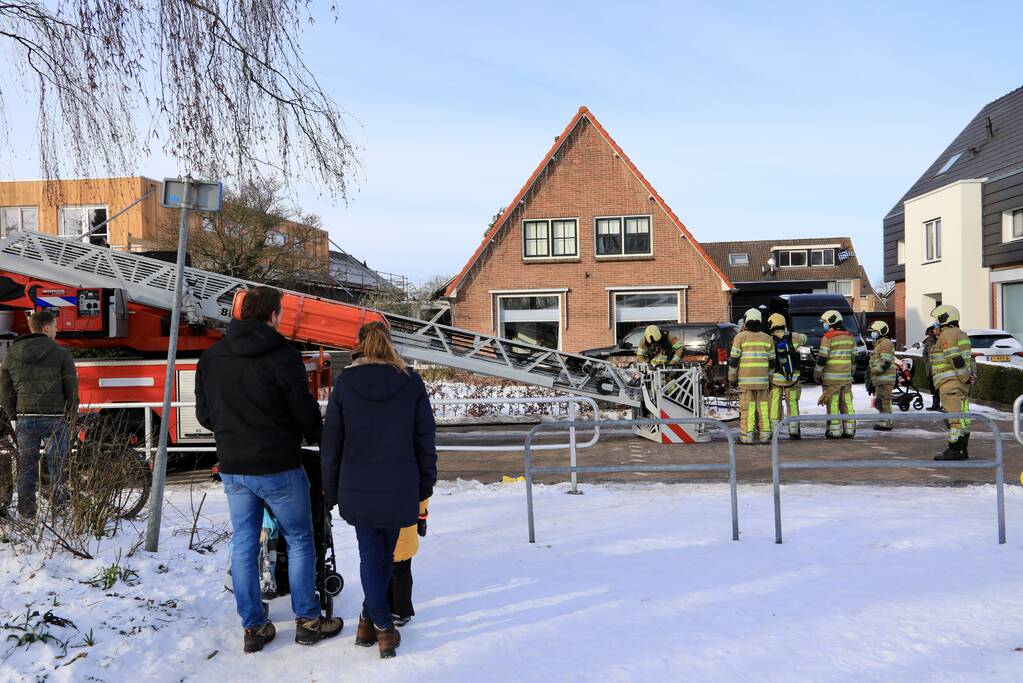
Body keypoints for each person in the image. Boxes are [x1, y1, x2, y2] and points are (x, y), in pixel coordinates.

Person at [195, 286, 341, 653]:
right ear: (274, 314)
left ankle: (254, 628)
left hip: (234, 466)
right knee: (300, 538)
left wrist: (234, 432)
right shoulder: (283, 356)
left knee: (244, 543)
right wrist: (320, 437)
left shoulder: (211, 357)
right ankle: (308, 620)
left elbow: (204, 415)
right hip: (279, 465)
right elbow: (303, 411)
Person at [320, 321, 437, 659]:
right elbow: (424, 439)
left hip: (357, 484)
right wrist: (425, 484)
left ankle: (368, 622)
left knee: (375, 556)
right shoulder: (411, 382)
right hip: (400, 484)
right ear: (390, 345)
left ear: (359, 346)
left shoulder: (345, 383)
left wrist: (331, 489)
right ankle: (383, 627)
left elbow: (333, 443)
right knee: (382, 557)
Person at [0, 309, 77, 519]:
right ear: (46, 328)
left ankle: (26, 513)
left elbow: (5, 390)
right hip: (55, 418)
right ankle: (59, 512)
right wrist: (71, 415)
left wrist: (13, 417)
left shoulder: (11, 355)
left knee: (26, 467)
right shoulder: (61, 353)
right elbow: (71, 388)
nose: (57, 329)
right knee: (57, 466)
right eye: (55, 326)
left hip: (25, 417)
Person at [927, 305, 975, 460]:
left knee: (953, 418)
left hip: (950, 383)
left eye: (936, 320)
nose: (935, 324)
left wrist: (963, 377)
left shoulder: (947, 335)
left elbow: (955, 358)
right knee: (963, 417)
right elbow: (968, 359)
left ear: (943, 318)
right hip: (961, 384)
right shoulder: (962, 334)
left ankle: (954, 449)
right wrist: (968, 378)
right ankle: (963, 449)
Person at [728, 309, 775, 445]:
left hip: (745, 384)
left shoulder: (740, 337)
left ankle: (747, 438)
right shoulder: (768, 338)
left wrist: (732, 380)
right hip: (763, 384)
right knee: (764, 410)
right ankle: (765, 437)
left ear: (746, 320)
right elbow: (772, 364)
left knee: (747, 410)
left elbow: (734, 361)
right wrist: (770, 381)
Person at [388, 496, 430, 627]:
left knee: (380, 569)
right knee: (401, 571)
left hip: (375, 523)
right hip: (403, 523)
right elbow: (423, 491)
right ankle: (401, 611)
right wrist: (422, 515)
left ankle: (382, 607)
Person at [814, 310, 856, 439]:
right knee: (847, 403)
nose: (824, 325)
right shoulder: (850, 336)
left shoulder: (828, 338)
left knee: (832, 403)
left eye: (825, 323)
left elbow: (822, 358)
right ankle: (849, 430)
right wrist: (851, 372)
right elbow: (855, 357)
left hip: (831, 380)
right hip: (846, 379)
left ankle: (834, 431)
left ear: (831, 322)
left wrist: (817, 372)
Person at [767, 313, 807, 440]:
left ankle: (774, 431)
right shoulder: (794, 337)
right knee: (792, 403)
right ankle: (794, 431)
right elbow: (804, 338)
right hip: (792, 378)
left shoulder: (768, 339)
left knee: (774, 404)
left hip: (775, 379)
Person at [866, 321, 897, 431]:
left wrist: (874, 371)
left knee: (885, 400)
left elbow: (886, 362)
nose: (872, 334)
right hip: (880, 379)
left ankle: (886, 423)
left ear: (880, 331)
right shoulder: (879, 344)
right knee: (880, 401)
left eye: (874, 331)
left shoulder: (886, 343)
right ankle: (883, 421)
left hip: (885, 379)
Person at [921, 325, 941, 411]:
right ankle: (936, 405)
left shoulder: (933, 340)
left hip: (933, 369)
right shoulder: (931, 341)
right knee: (935, 388)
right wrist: (928, 363)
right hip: (932, 370)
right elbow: (927, 353)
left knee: (936, 388)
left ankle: (936, 405)